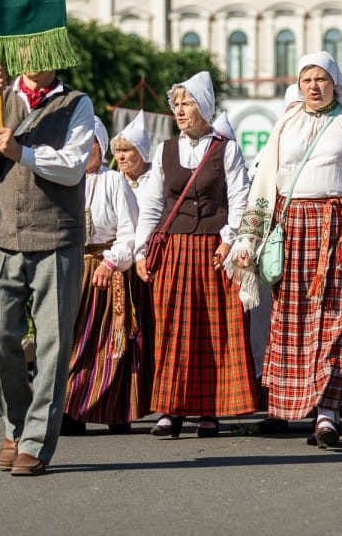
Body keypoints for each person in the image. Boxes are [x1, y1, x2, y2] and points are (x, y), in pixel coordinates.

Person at [228, 52, 342, 449]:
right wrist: (249, 239)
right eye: (307, 79)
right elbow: (265, 184)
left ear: (335, 83)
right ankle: (303, 404)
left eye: (321, 79)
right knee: (296, 322)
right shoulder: (286, 125)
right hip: (295, 232)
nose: (314, 85)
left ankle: (329, 413)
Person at [0, 62, 95, 477]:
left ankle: (35, 443)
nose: (35, 59)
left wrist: (22, 152)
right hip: (0, 233)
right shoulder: (0, 96)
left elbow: (72, 167)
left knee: (52, 346)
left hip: (57, 237)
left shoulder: (77, 104)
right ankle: (16, 425)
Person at [134, 71, 255, 438]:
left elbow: (240, 199)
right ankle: (170, 409)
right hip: (174, 249)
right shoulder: (165, 150)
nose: (180, 111)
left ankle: (210, 410)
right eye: (177, 104)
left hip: (213, 250)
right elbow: (153, 205)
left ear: (203, 106)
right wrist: (142, 250)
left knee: (213, 331)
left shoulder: (225, 149)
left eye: (187, 103)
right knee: (172, 329)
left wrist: (229, 239)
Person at [61, 118, 142, 435]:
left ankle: (115, 409)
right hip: (71, 269)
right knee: (73, 342)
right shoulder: (66, 181)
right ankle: (72, 409)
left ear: (100, 145)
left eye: (90, 143)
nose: (84, 151)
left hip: (105, 270)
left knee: (109, 344)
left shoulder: (114, 182)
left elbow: (129, 232)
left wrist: (111, 263)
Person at [109, 112, 156, 411]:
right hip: (122, 262)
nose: (123, 156)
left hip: (150, 263)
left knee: (151, 328)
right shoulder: (113, 182)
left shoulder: (155, 180)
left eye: (128, 150)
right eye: (119, 151)